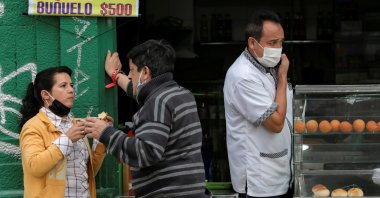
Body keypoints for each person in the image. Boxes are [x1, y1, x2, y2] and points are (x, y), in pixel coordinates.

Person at [83, 39, 208, 198]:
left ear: (146, 72)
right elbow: (137, 90)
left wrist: (106, 133)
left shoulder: (157, 103)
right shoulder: (181, 94)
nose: (129, 75)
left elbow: (145, 153)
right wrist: (115, 75)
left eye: (132, 70)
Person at [223, 10, 293, 198]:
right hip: (259, 181)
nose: (278, 49)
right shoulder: (242, 76)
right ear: (252, 43)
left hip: (279, 174)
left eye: (281, 42)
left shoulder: (268, 67)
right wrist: (283, 77)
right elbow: (276, 123)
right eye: (272, 43)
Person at [19, 66, 106, 198]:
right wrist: (67, 140)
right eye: (63, 86)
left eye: (71, 85)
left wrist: (102, 136)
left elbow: (85, 171)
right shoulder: (33, 127)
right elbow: (34, 166)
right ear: (45, 95)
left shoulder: (76, 124)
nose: (71, 90)